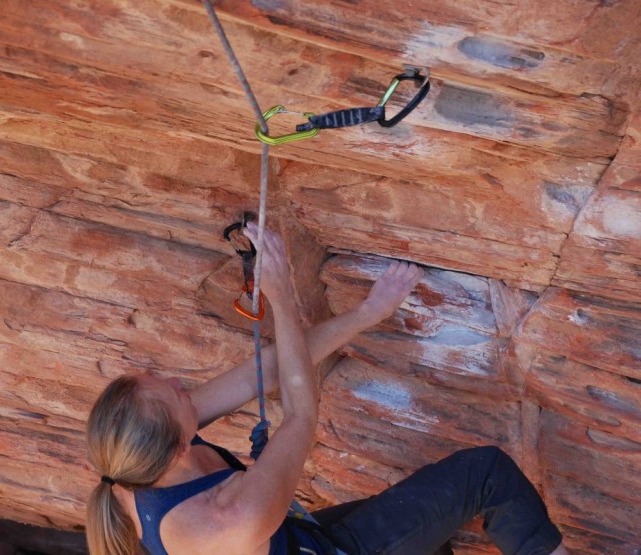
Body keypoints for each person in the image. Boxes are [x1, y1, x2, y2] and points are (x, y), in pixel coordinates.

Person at [84, 223, 569, 555]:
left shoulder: (137, 459)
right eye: (175, 394)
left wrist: (366, 314)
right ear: (176, 443)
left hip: (298, 539)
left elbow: (272, 370)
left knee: (428, 532)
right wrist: (281, 292)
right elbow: (300, 413)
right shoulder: (226, 518)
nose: (178, 384)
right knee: (484, 475)